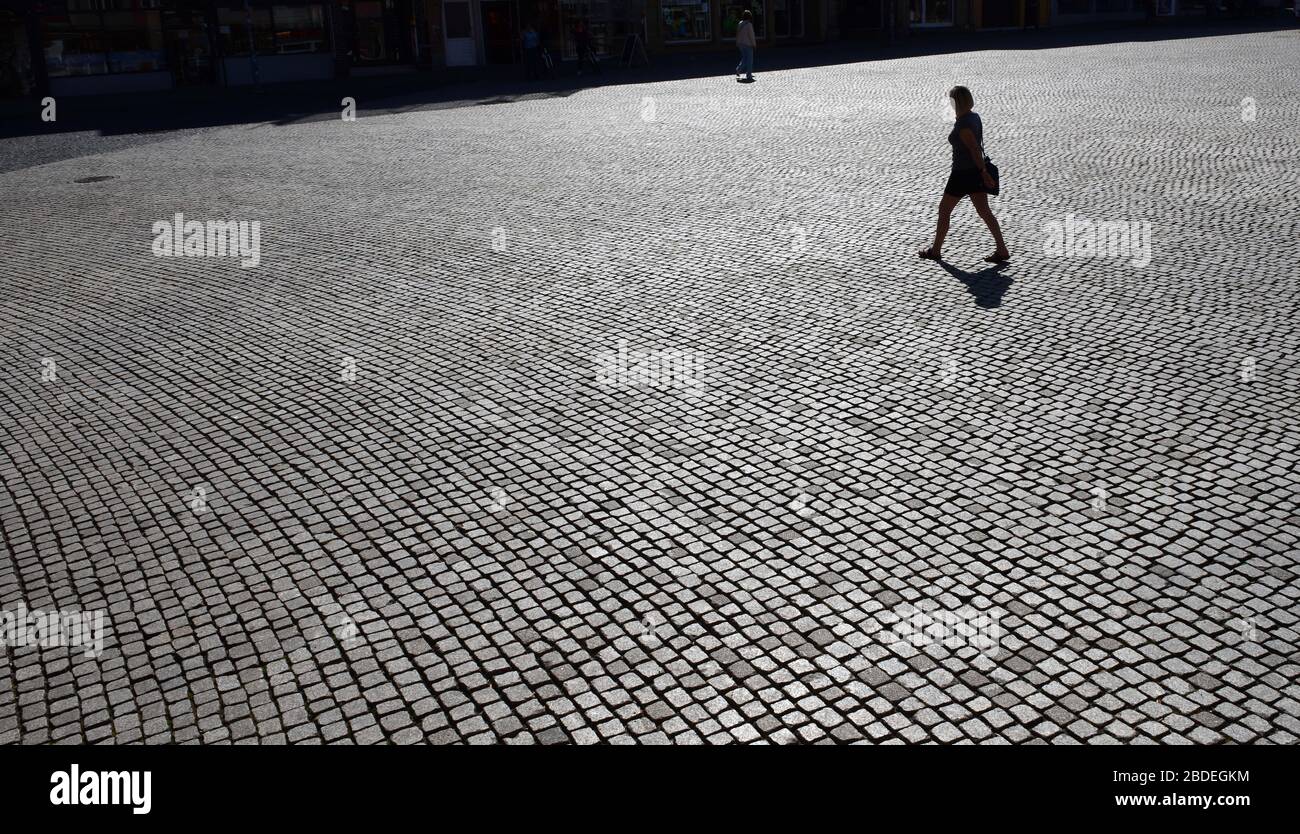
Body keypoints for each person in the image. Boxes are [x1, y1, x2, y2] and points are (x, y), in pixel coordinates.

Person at [918, 85, 1010, 263]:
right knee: (984, 211)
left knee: (944, 210)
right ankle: (1002, 249)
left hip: (962, 174)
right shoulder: (973, 117)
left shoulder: (963, 124)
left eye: (951, 100)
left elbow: (974, 149)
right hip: (973, 173)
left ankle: (936, 251)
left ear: (956, 102)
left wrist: (983, 172)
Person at [735, 10, 756, 82]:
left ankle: (738, 69)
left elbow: (737, 34)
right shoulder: (749, 25)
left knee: (744, 58)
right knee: (749, 60)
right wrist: (754, 44)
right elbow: (751, 36)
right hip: (748, 44)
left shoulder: (740, 23)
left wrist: (737, 42)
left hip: (740, 44)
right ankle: (749, 75)